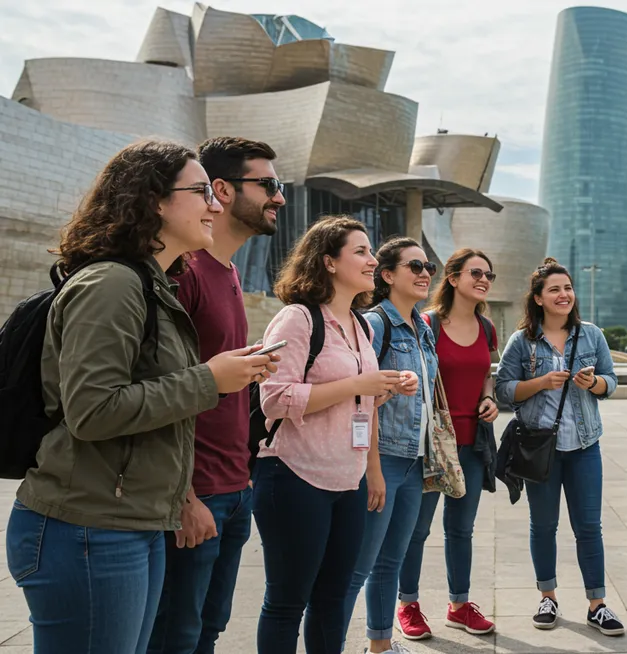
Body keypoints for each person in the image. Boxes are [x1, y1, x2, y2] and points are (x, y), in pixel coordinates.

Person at [6, 139, 277, 654]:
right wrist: (209, 380)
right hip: (87, 528)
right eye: (200, 192)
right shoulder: (113, 283)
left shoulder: (155, 285)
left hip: (129, 522)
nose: (214, 205)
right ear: (154, 199)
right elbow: (93, 410)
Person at [148, 136, 286, 654]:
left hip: (234, 488)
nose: (279, 197)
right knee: (174, 637)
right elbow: (156, 385)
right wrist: (183, 497)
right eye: (269, 185)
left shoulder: (226, 271)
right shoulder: (184, 271)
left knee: (208, 631)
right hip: (194, 493)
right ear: (223, 190)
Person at [254, 216, 412, 654]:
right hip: (294, 476)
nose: (372, 259)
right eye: (360, 251)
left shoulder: (361, 325)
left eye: (371, 250)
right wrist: (358, 385)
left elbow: (354, 403)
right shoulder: (297, 319)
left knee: (331, 598)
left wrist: (384, 388)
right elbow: (274, 399)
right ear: (327, 261)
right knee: (288, 601)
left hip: (348, 477)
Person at [495, 257, 624, 637]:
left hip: (585, 447)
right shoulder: (522, 341)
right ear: (537, 298)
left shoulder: (591, 335)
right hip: (541, 448)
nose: (564, 294)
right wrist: (541, 383)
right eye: (554, 289)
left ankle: (597, 605)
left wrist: (594, 384)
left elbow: (612, 381)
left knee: (589, 527)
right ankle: (547, 597)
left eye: (567, 288)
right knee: (544, 526)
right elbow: (504, 389)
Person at [340, 236, 438, 654]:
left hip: (415, 459)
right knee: (357, 566)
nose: (424, 273)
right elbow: (358, 397)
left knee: (391, 561)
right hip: (382, 458)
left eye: (428, 265)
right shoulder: (374, 323)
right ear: (387, 275)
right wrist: (374, 468)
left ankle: (379, 645)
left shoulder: (422, 326)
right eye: (414, 266)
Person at [397, 248, 500, 640]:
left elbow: (487, 371)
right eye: (476, 272)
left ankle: (459, 606)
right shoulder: (428, 324)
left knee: (461, 529)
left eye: (489, 275)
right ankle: (408, 604)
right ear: (453, 278)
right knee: (416, 529)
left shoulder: (487, 327)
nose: (484, 280)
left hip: (472, 444)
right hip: (430, 444)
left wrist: (489, 397)